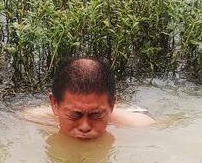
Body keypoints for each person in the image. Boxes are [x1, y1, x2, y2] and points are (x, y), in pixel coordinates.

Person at [21, 56, 154, 140]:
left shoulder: (140, 124)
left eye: (96, 115)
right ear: (54, 104)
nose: (85, 127)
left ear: (112, 106)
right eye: (75, 115)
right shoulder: (32, 117)